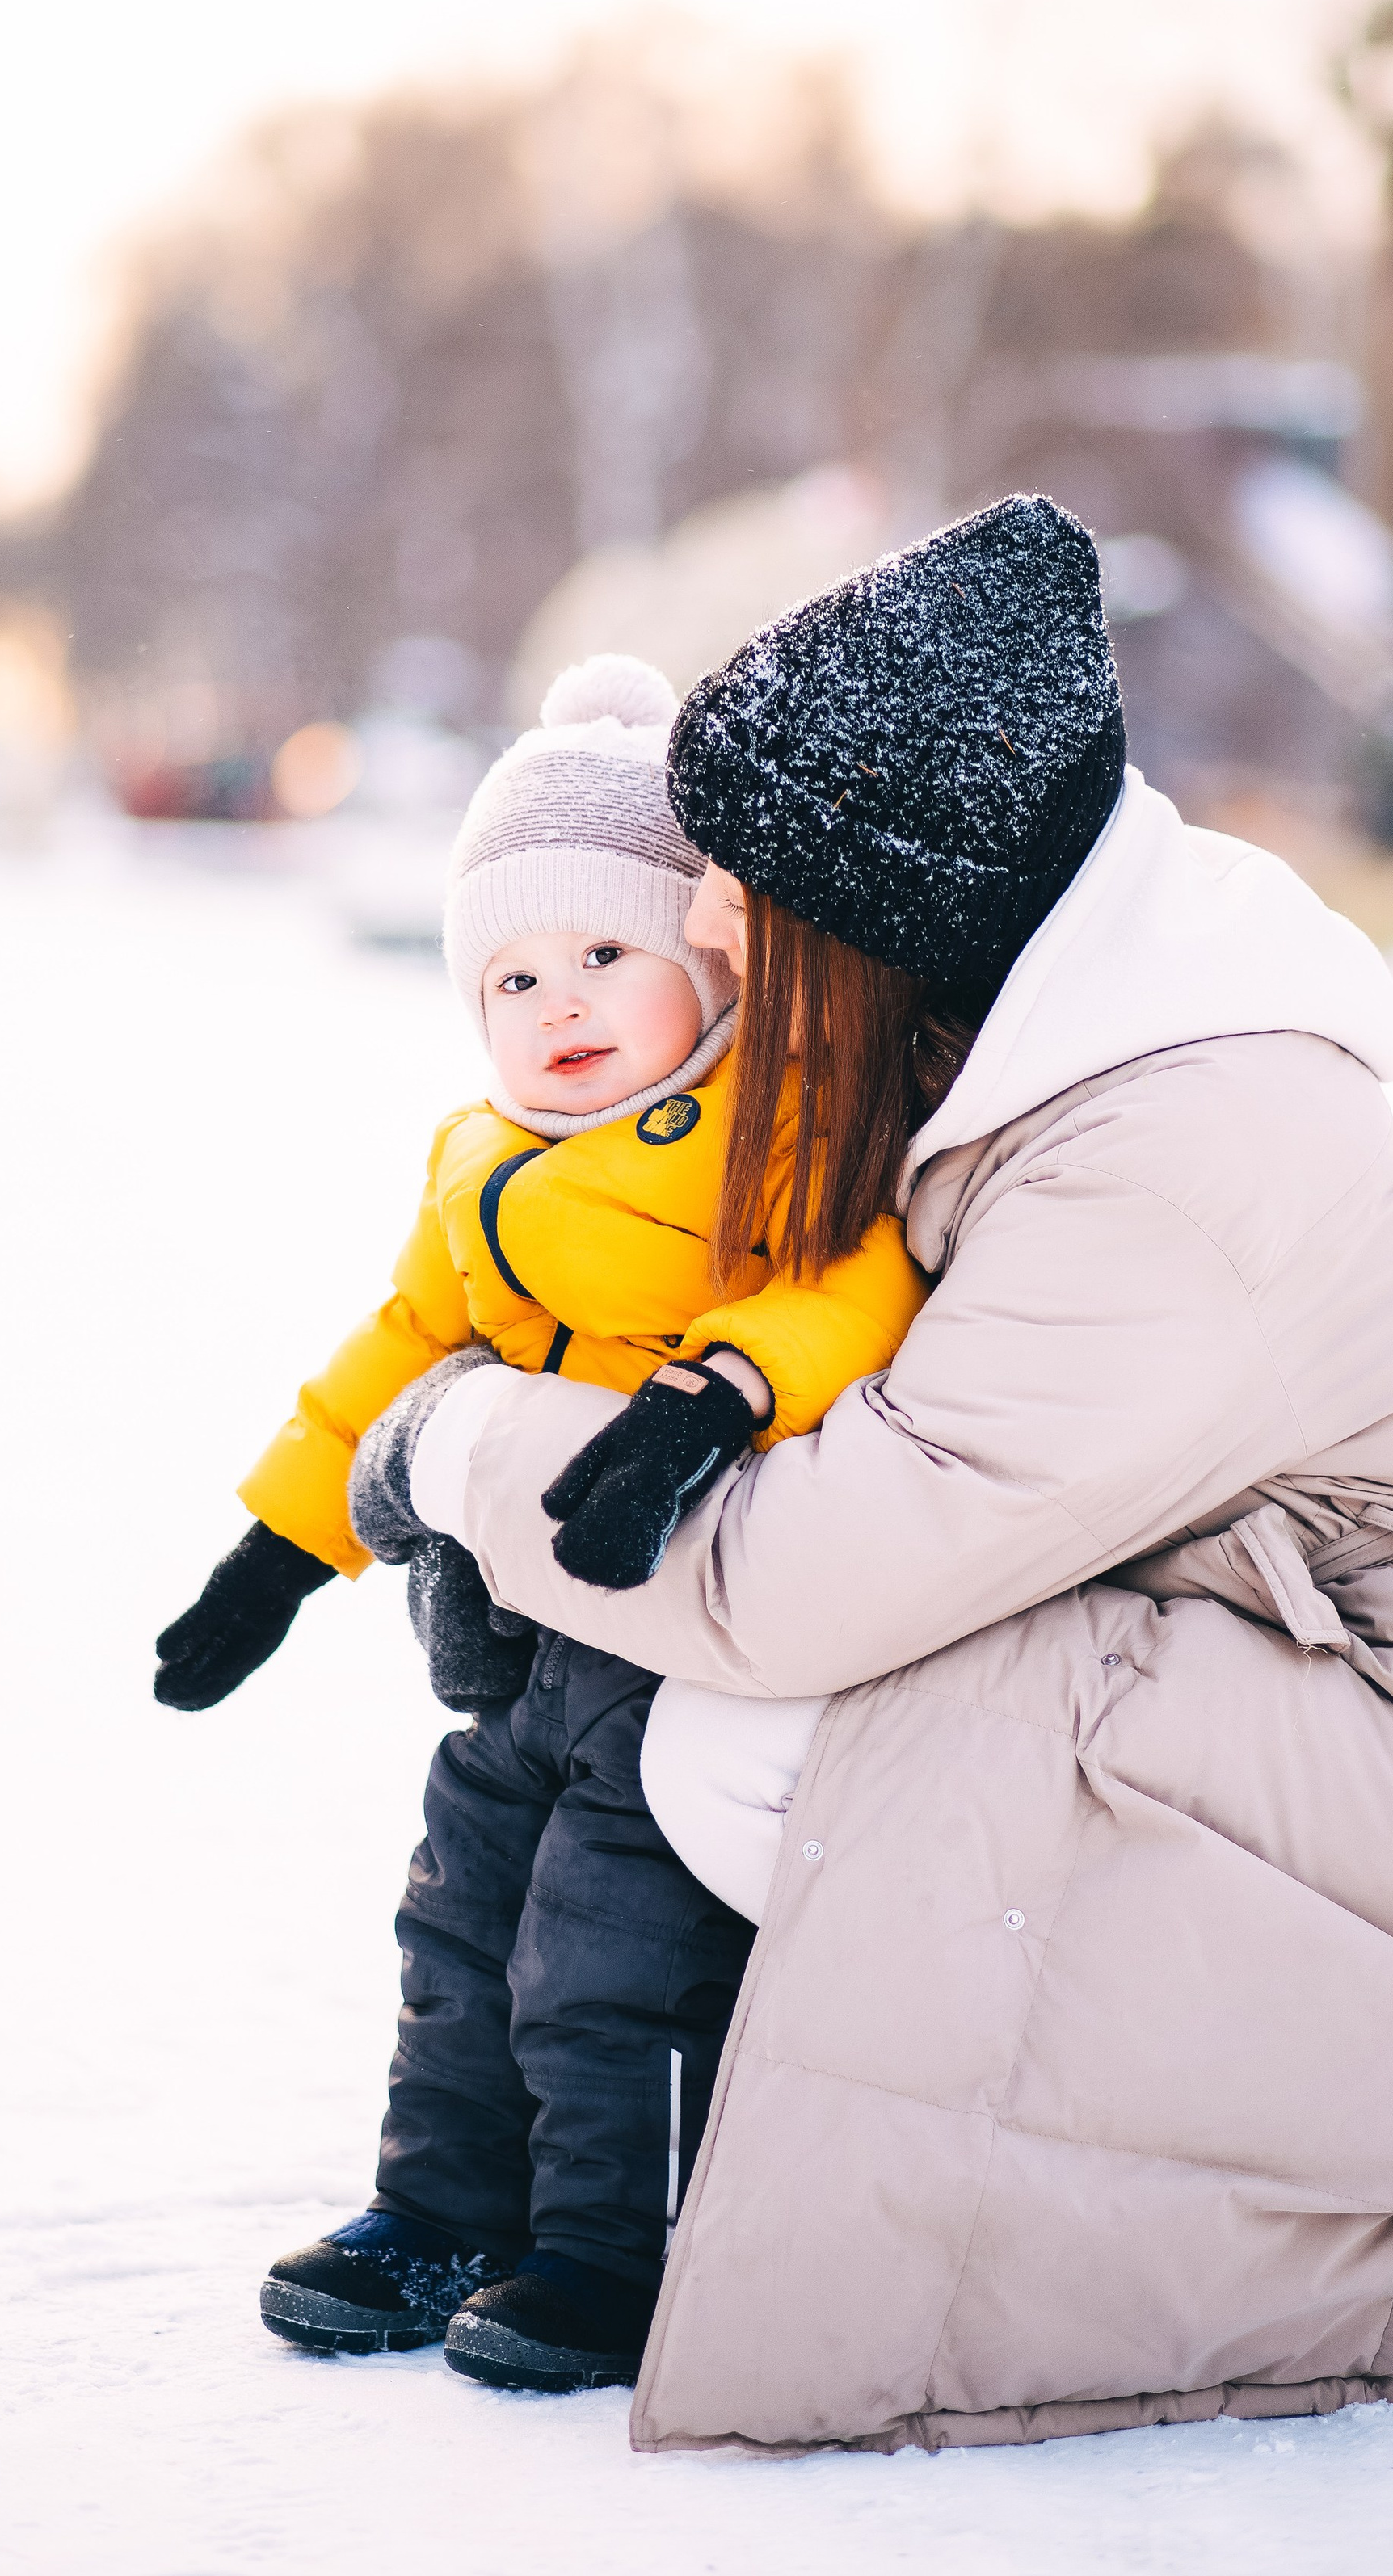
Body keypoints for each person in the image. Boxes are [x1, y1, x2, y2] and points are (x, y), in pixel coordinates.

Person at [398, 494, 1393, 2457]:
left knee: (782, 1747)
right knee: (791, 1730)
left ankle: (1391, 2221)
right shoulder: (1037, 1051)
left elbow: (798, 1585)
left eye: (739, 887)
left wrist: (456, 1446)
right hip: (1375, 1664)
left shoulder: (1167, 1158)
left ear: (877, 909)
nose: (699, 925)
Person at [151, 657, 924, 2394]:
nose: (557, 1005)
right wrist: (279, 1550)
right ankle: (438, 2213)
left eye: (603, 957)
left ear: (705, 965)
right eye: (511, 976)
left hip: (685, 1628)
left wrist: (711, 1395)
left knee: (612, 1944)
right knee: (461, 1920)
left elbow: (857, 1289)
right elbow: (390, 1358)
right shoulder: (478, 1160)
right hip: (517, 1639)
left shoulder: (770, 1125)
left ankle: (610, 2255)